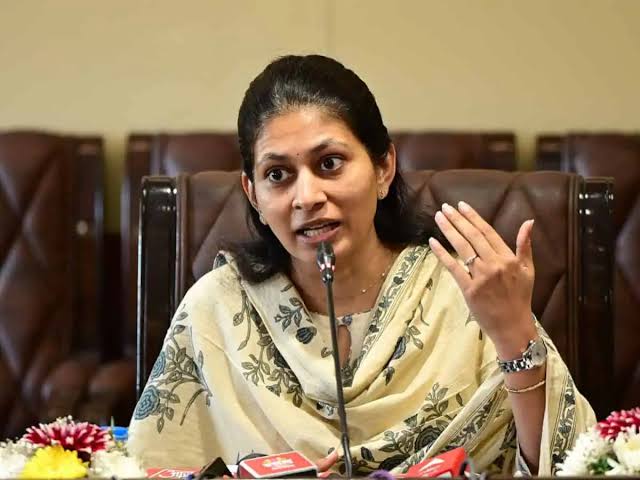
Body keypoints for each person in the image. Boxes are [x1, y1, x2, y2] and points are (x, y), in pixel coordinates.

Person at [128, 54, 595, 475]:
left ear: (383, 168)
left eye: (329, 163)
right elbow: (154, 466)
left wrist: (514, 335)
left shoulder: (462, 292)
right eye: (277, 175)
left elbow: (569, 463)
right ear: (253, 194)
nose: (307, 197)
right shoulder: (218, 309)